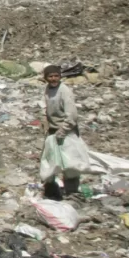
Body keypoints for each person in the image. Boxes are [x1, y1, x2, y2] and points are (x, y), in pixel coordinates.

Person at [42, 65, 82, 199]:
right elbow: (45, 107)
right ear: (45, 78)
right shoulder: (47, 89)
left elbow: (71, 115)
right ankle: (51, 190)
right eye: (50, 76)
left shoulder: (64, 91)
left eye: (56, 76)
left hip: (66, 131)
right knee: (50, 160)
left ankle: (72, 192)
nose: (53, 79)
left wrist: (63, 131)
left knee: (69, 163)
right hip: (53, 130)